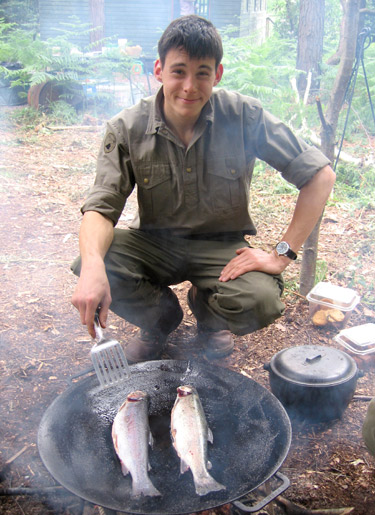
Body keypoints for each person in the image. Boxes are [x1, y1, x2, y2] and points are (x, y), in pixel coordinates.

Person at [71, 15, 335, 363]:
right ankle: (159, 322)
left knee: (261, 300)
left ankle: (209, 317)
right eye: (178, 71)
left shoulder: (243, 116)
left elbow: (320, 175)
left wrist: (281, 254)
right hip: (155, 244)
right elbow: (101, 209)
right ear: (159, 70)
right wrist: (92, 268)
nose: (189, 87)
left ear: (218, 74)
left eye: (202, 73)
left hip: (221, 248)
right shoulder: (127, 127)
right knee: (94, 259)